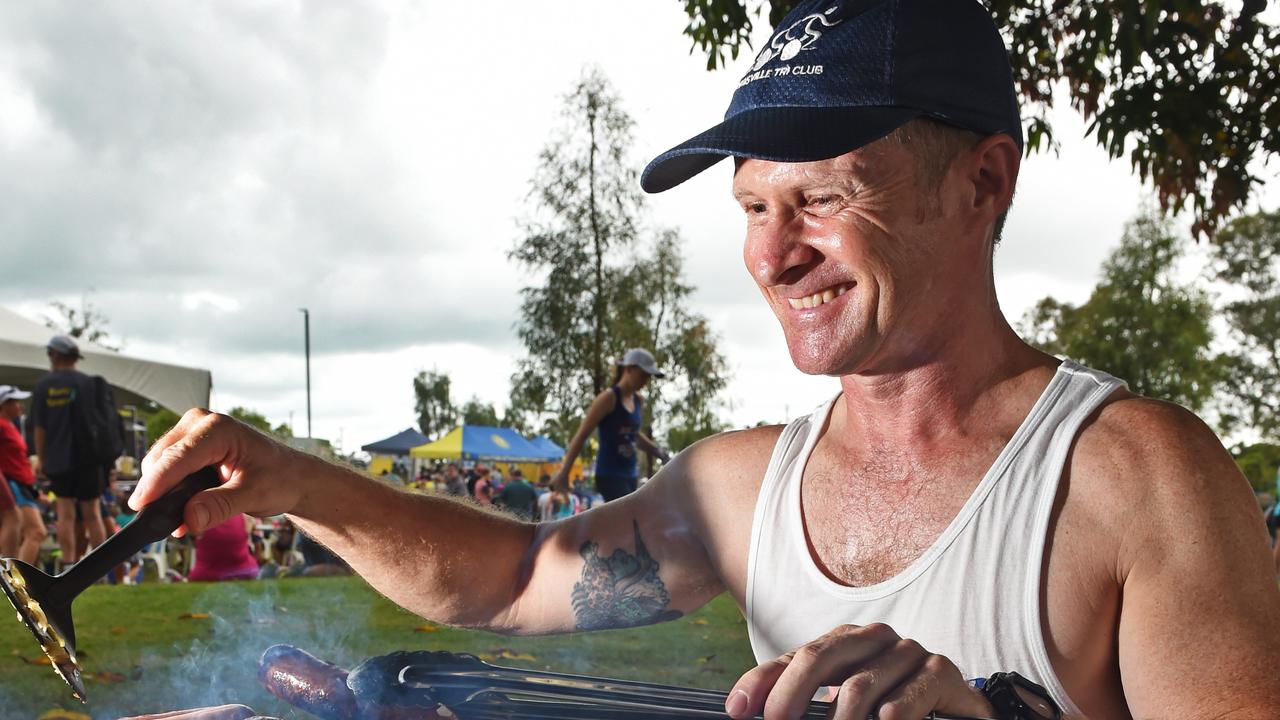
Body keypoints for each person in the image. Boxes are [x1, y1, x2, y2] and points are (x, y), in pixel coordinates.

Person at [129, 2, 1280, 718]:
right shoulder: (744, 489)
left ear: (980, 184)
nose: (772, 256)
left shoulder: (1134, 481)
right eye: (751, 207)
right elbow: (515, 577)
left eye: (822, 199)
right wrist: (290, 481)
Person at [552, 348, 671, 501]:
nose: (645, 381)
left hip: (630, 473)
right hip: (609, 475)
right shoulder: (608, 398)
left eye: (648, 377)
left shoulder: (638, 400)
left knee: (629, 520)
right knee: (628, 517)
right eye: (643, 375)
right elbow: (581, 436)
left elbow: (633, 435)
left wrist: (659, 452)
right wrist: (564, 472)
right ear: (629, 369)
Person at [31, 335, 108, 565]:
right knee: (93, 514)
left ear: (54, 355)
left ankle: (69, 564)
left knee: (65, 514)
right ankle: (100, 567)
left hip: (58, 458)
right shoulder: (87, 382)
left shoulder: (44, 386)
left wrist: (41, 459)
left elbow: (39, 427)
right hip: (89, 458)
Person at [187, 514, 261, 582]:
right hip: (244, 570)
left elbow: (193, 538)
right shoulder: (245, 518)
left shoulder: (199, 516)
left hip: (207, 573)